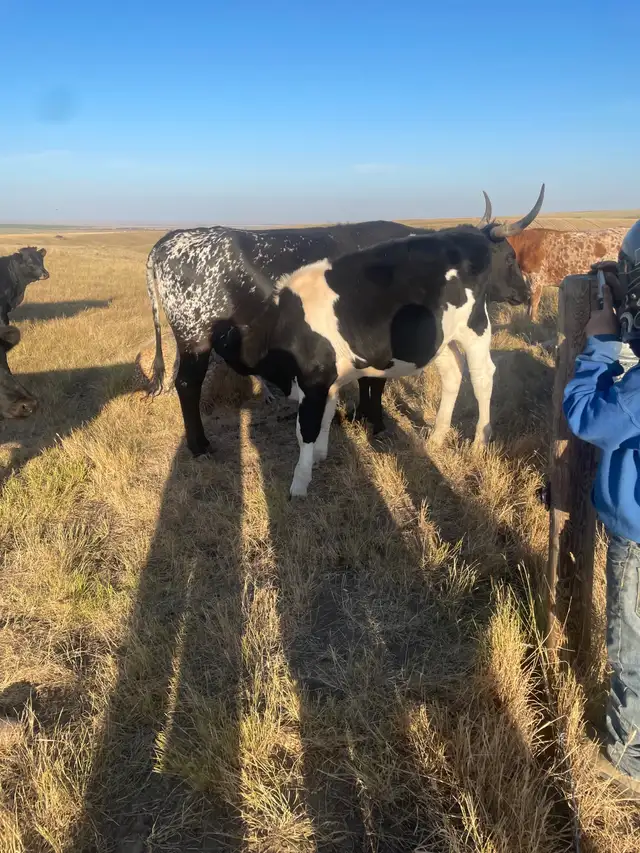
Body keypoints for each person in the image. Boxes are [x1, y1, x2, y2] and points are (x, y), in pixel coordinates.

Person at [563, 219, 640, 796]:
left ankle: (625, 755)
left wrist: (598, 345)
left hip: (634, 535)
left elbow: (587, 417)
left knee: (630, 647)